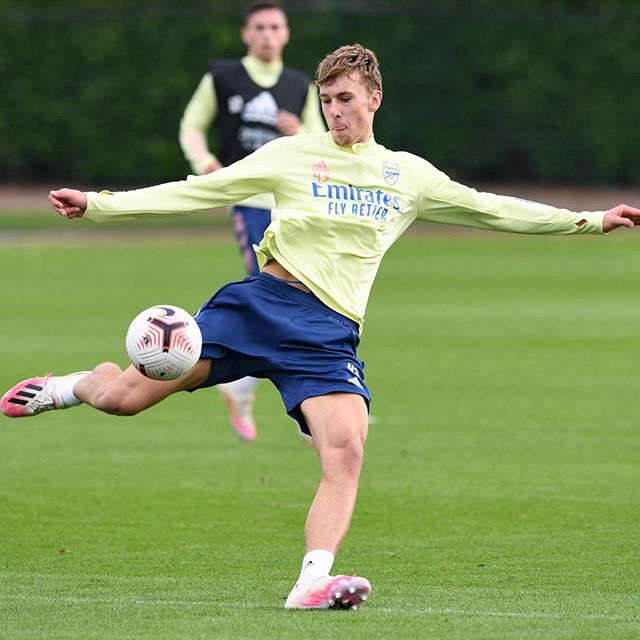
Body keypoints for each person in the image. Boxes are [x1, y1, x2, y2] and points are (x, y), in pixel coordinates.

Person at [2, 44, 639, 610]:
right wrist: (99, 205)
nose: (334, 112)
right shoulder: (290, 154)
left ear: (374, 98)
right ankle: (71, 386)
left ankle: (311, 583)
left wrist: (588, 220)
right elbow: (199, 190)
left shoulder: (408, 176)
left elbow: (493, 209)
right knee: (124, 400)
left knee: (348, 449)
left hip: (327, 335)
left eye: (344, 100)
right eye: (325, 101)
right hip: (256, 307)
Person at [179, 0, 325, 442]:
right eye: (259, 27)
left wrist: (298, 134)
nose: (267, 34)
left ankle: (245, 382)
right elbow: (191, 124)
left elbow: (322, 143)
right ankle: (289, 391)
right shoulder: (223, 77)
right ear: (246, 33)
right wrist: (205, 162)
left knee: (299, 288)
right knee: (272, 285)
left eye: (275, 26)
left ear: (287, 34)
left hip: (295, 202)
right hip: (250, 199)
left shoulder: (300, 85)